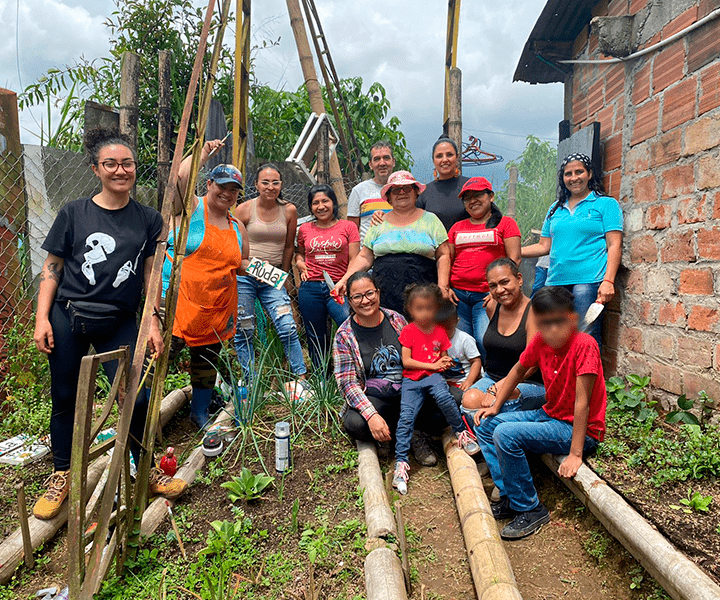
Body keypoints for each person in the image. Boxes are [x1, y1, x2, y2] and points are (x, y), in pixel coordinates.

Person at [32, 127, 186, 520]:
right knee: (65, 396)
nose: (121, 170)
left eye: (127, 163)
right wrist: (41, 318)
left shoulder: (149, 219)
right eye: (111, 164)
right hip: (68, 315)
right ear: (96, 169)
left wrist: (152, 320)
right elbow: (52, 268)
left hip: (118, 319)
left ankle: (147, 470)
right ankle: (62, 475)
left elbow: (153, 276)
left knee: (136, 395)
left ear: (135, 168)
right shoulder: (73, 213)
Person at [473, 287, 607, 540]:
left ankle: (530, 508)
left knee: (505, 434)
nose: (553, 329)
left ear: (573, 319)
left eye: (559, 322)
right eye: (545, 324)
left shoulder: (585, 345)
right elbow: (516, 370)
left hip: (580, 430)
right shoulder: (541, 342)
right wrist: (495, 405)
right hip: (550, 414)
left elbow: (583, 403)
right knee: (487, 423)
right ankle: (510, 495)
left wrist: (575, 454)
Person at [161, 140, 249, 429]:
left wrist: (263, 271)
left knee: (205, 364)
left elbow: (242, 262)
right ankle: (143, 419)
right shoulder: (190, 208)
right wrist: (202, 153)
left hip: (215, 307)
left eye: (233, 189)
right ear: (209, 184)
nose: (227, 193)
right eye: (221, 185)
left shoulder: (236, 226)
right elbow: (179, 178)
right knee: (157, 361)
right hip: (177, 303)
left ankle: (199, 413)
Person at [334, 272, 444, 466]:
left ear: (378, 292)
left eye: (369, 293)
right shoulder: (344, 335)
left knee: (451, 401)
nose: (365, 301)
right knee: (355, 423)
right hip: (377, 400)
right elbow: (347, 383)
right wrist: (372, 416)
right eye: (357, 297)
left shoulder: (396, 319)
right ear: (349, 301)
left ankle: (413, 434)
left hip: (408, 393)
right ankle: (395, 430)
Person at [521, 153, 623, 346]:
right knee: (555, 337)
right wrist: (513, 250)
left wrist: (608, 281)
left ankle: (585, 377)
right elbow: (544, 246)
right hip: (555, 283)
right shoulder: (555, 209)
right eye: (568, 174)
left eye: (579, 172)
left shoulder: (605, 204)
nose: (574, 177)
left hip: (589, 281)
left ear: (590, 174)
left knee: (584, 337)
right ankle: (560, 377)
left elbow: (614, 244)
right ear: (563, 178)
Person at [393, 283, 480, 495]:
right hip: (412, 380)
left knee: (445, 398)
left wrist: (444, 361)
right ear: (409, 309)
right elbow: (406, 361)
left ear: (436, 308)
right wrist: (433, 365)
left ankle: (462, 432)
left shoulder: (440, 331)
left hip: (434, 377)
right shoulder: (408, 331)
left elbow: (442, 355)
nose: (424, 313)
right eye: (418, 308)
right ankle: (401, 463)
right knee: (406, 417)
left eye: (429, 308)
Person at [336, 171, 451, 316]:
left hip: (423, 295)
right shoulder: (378, 222)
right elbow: (365, 257)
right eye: (396, 189)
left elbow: (443, 254)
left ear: (416, 193)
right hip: (385, 295)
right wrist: (344, 280)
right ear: (389, 197)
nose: (401, 192)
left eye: (407, 188)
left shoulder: (431, 220)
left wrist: (443, 287)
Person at [233, 164, 307, 380]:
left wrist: (284, 275)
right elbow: (235, 245)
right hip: (245, 277)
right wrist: (249, 266)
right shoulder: (244, 209)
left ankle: (300, 377)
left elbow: (288, 246)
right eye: (265, 182)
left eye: (275, 182)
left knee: (286, 325)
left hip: (272, 276)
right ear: (256, 184)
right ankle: (250, 381)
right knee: (245, 329)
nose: (270, 187)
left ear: (281, 185)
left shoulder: (289, 210)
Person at [447, 177, 521, 360]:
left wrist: (497, 291)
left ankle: (493, 381)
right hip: (458, 296)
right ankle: (468, 384)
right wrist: (446, 287)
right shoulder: (457, 227)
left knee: (484, 340)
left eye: (478, 195)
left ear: (491, 197)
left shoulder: (505, 224)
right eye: (467, 198)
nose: (473, 201)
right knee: (462, 345)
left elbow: (514, 259)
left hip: (486, 295)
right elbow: (447, 258)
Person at [462, 258, 545, 418]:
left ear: (519, 279)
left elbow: (531, 365)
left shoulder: (534, 312)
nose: (500, 290)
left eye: (505, 282)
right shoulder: (493, 307)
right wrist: (493, 386)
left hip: (527, 383)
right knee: (469, 400)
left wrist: (497, 389)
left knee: (488, 408)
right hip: (491, 378)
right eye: (493, 286)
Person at [296, 184, 360, 367]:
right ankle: (321, 380)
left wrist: (345, 282)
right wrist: (300, 264)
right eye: (315, 203)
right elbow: (299, 254)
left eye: (325, 201)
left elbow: (355, 259)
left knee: (347, 324)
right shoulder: (305, 229)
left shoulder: (348, 227)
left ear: (333, 203)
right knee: (315, 335)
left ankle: (351, 371)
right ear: (310, 207)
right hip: (311, 288)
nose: (321, 206)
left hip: (339, 287)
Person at [416, 136, 470, 232]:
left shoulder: (470, 186)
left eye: (449, 155)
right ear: (433, 160)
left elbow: (491, 214)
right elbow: (408, 218)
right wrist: (383, 215)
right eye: (439, 156)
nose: (444, 160)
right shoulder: (424, 192)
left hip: (468, 244)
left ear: (457, 157)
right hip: (435, 246)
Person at [436, 300, 481, 405]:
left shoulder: (464, 339)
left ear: (456, 322)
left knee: (458, 399)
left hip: (464, 382)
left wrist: (469, 380)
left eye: (447, 328)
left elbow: (476, 362)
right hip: (445, 382)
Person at [347, 141, 395, 240]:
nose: (382, 163)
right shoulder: (358, 191)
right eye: (377, 159)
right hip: (369, 253)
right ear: (370, 164)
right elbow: (352, 231)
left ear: (393, 162)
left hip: (400, 251)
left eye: (386, 158)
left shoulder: (404, 190)